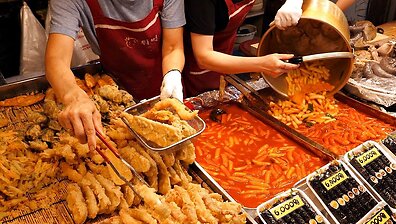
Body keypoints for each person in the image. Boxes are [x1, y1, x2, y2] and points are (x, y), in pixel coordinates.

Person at [45, 0, 185, 152]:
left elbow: (173, 47)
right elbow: (56, 60)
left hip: (162, 87)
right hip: (118, 97)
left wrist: (173, 74)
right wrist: (75, 97)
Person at [183, 0, 357, 97]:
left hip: (225, 50)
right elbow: (204, 57)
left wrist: (294, 2)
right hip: (196, 65)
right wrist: (261, 64)